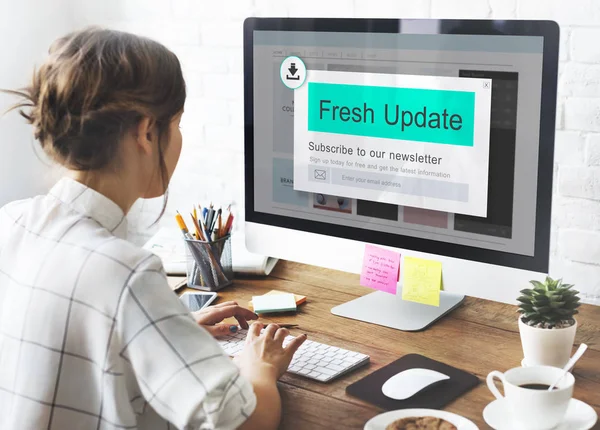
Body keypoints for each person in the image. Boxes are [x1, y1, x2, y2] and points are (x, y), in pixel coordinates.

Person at [0, 27, 306, 430]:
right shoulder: (126, 273)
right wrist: (259, 366)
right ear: (146, 132)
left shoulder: (11, 221)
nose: (177, 139)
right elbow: (246, 422)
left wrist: (165, 330)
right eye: (176, 124)